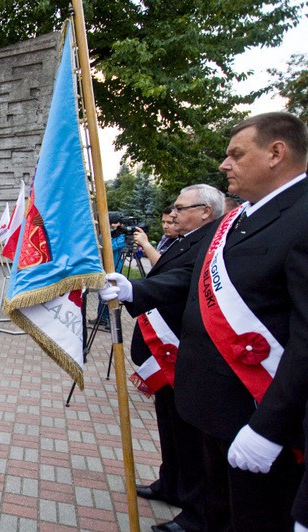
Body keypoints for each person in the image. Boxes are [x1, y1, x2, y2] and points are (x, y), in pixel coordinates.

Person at [101, 112, 308, 530]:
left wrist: (270, 427)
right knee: (218, 506)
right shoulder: (238, 219)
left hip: (257, 411)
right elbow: (191, 281)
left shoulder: (301, 217)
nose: (223, 165)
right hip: (213, 403)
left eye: (236, 154)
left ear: (276, 153)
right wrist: (134, 290)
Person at [129, 185, 225, 532]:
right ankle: (170, 482)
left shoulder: (211, 241)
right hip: (166, 351)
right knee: (169, 424)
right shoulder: (186, 239)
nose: (173, 214)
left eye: (181, 208)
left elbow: (182, 281)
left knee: (190, 434)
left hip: (184, 350)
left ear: (204, 212)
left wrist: (132, 290)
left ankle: (193, 504)